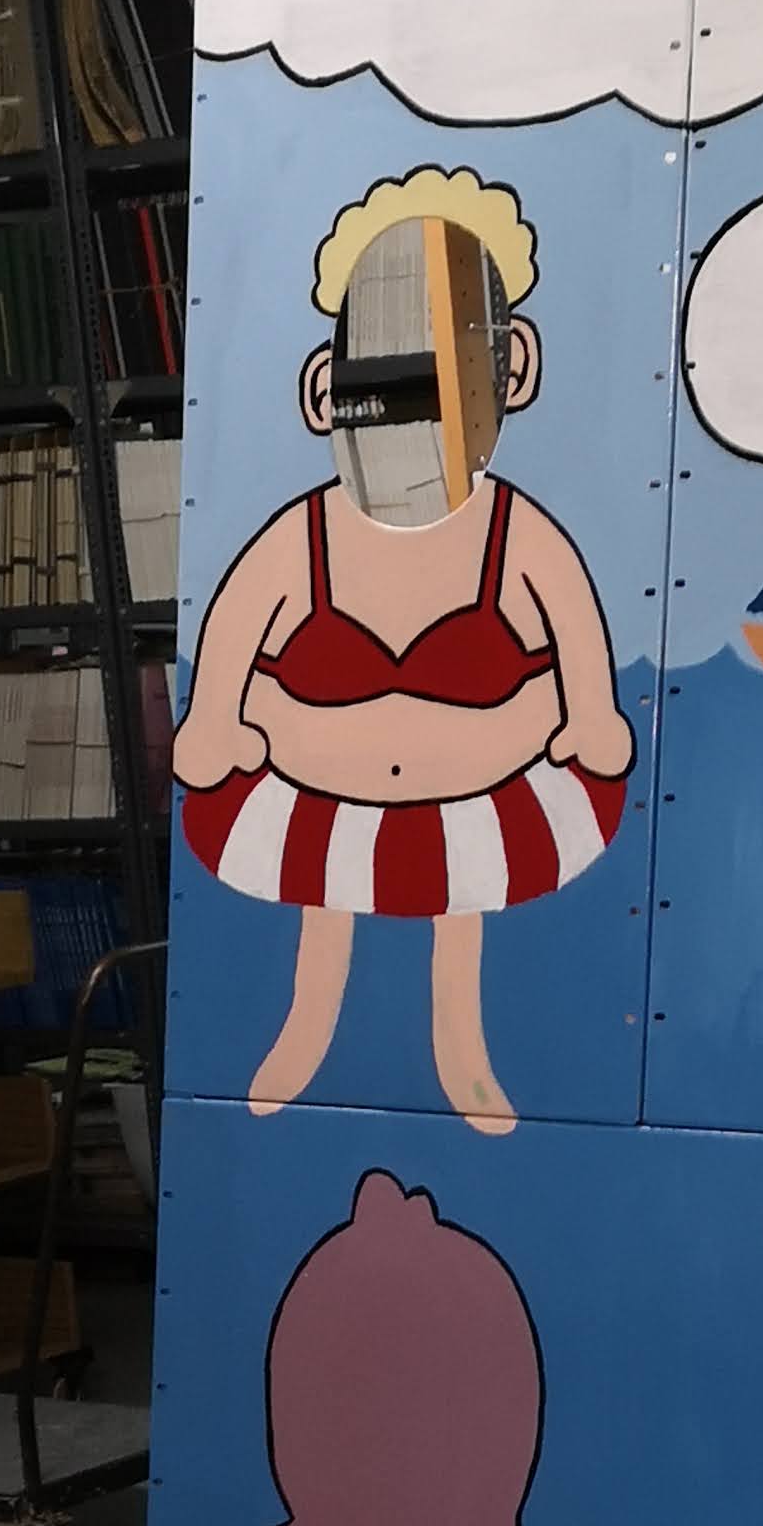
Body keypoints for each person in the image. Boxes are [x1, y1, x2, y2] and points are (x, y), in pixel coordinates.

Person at [172, 169, 636, 1131]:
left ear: (512, 370)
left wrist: (591, 717)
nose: (407, 419)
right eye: (381, 387)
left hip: (481, 791)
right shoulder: (303, 536)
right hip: (316, 790)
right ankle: (306, 1029)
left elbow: (577, 641)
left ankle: (462, 1050)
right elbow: (234, 633)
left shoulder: (514, 533)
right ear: (324, 390)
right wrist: (214, 720)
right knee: (322, 918)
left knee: (458, 919)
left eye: (436, 383)